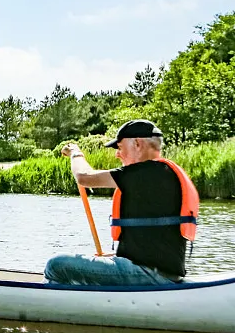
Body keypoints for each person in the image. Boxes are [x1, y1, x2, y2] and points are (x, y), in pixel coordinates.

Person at [44, 119, 199, 287]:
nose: (117, 154)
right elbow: (153, 244)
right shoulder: (162, 175)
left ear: (138, 144)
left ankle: (50, 305)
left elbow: (84, 177)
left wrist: (75, 152)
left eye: (119, 147)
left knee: (56, 265)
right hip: (161, 274)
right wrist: (112, 257)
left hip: (147, 275)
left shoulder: (145, 173)